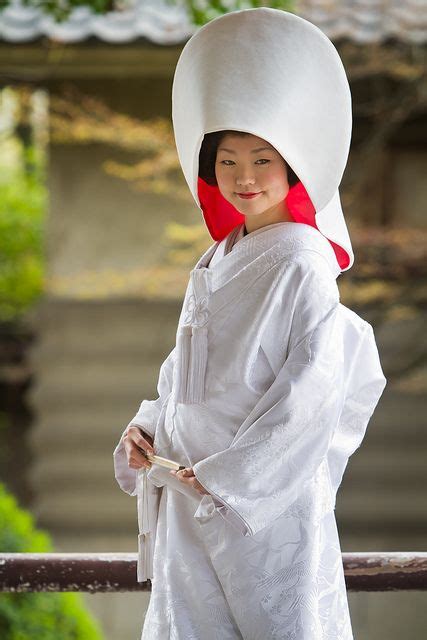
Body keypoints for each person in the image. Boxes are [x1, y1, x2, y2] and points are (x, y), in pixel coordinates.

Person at [113, 8, 387, 639]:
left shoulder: (302, 261)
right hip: (188, 485)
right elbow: (184, 376)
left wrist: (228, 479)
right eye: (228, 161)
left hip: (257, 501)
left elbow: (312, 388)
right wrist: (149, 427)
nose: (243, 178)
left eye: (262, 160)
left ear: (293, 167)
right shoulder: (217, 257)